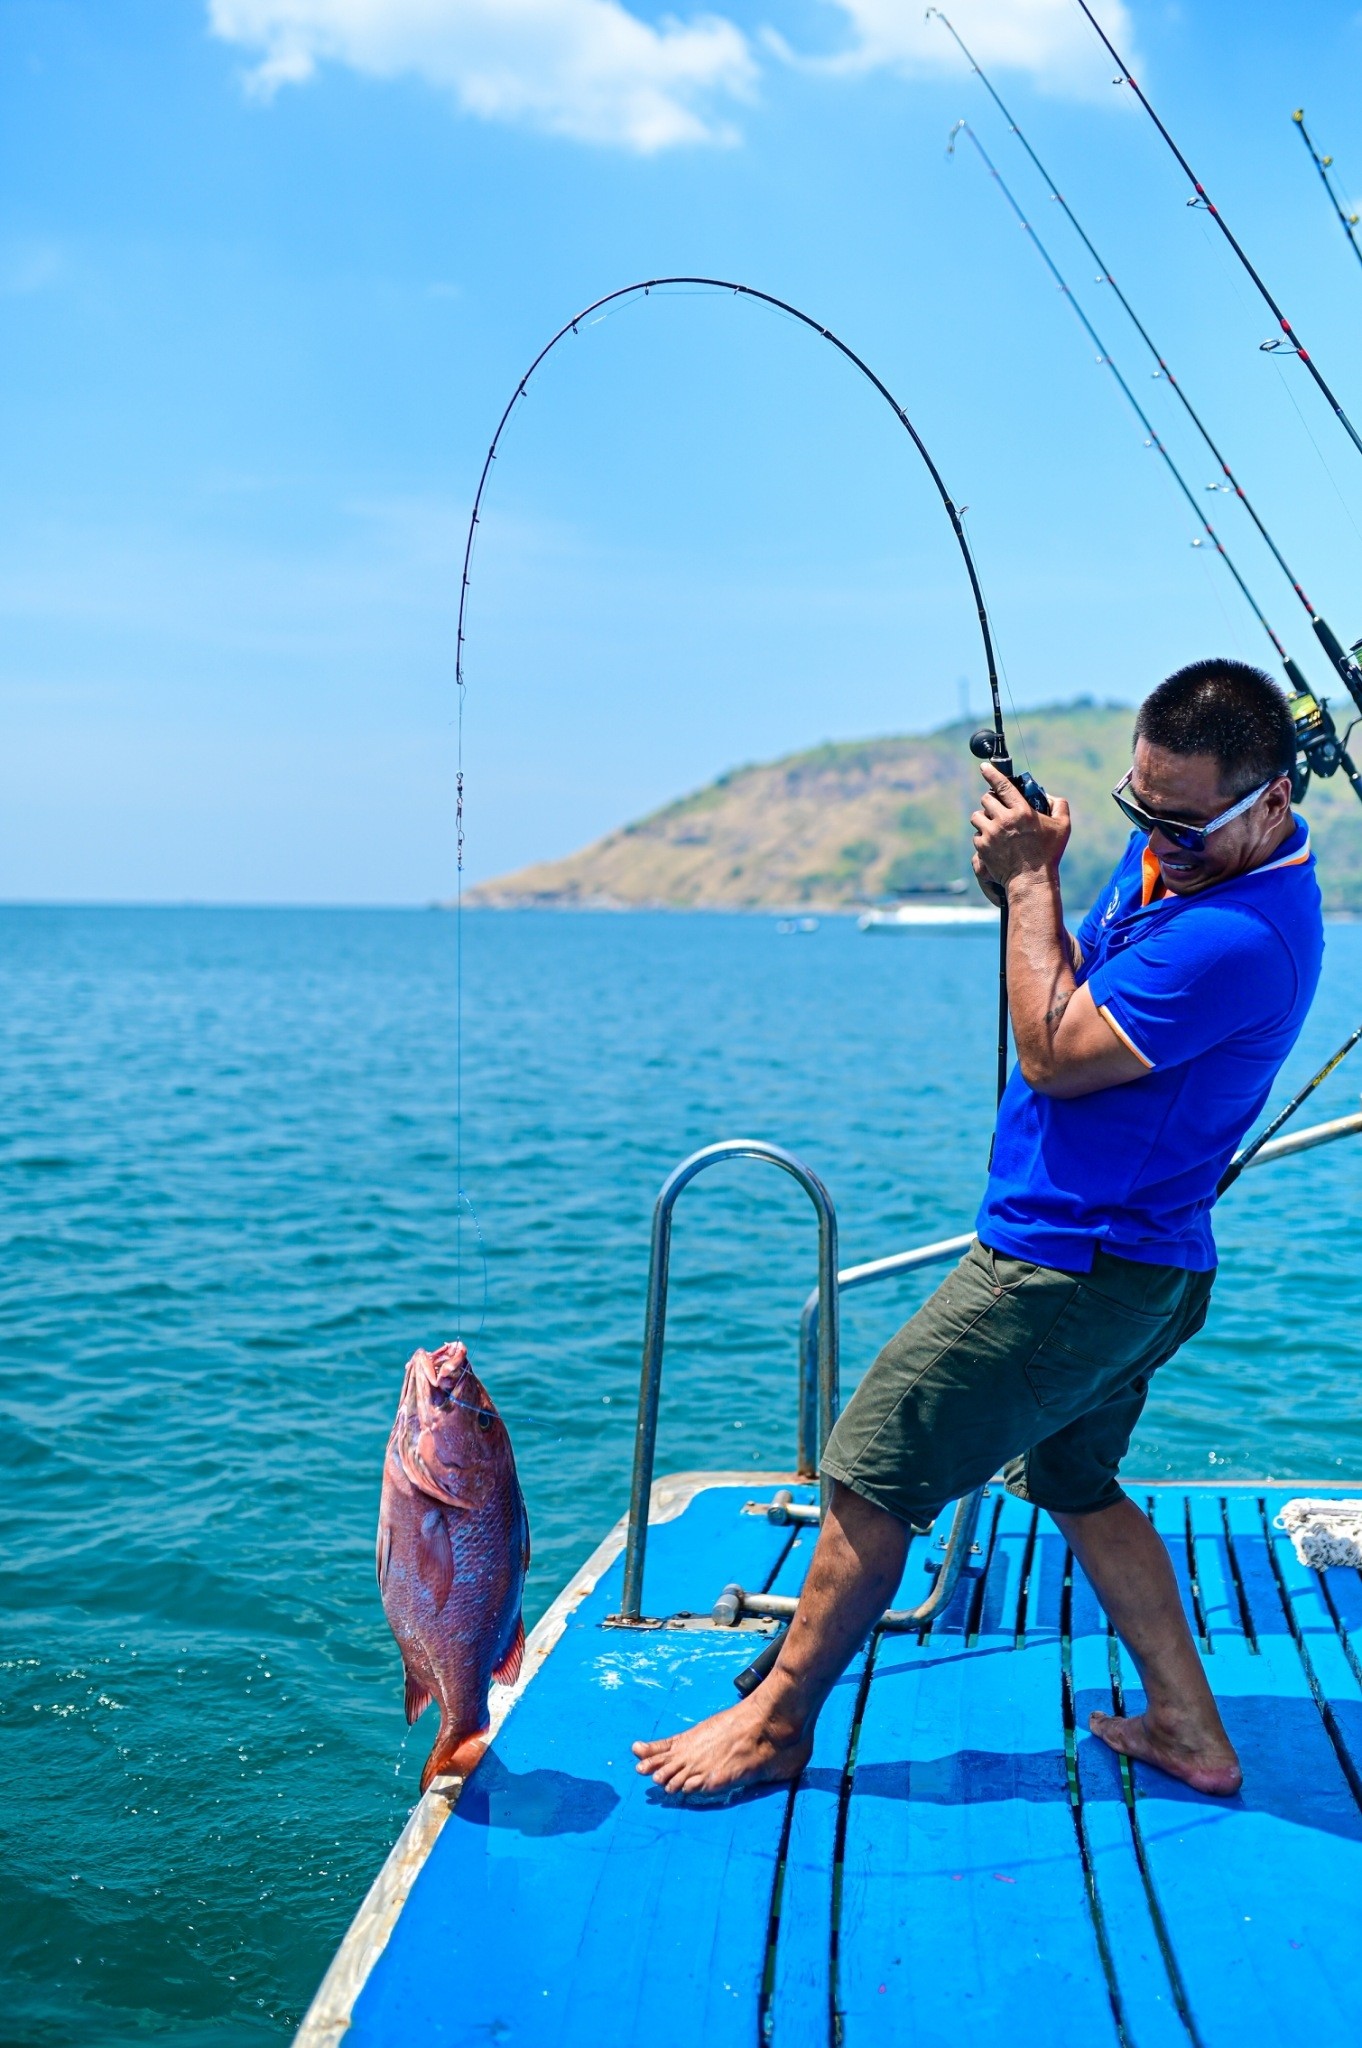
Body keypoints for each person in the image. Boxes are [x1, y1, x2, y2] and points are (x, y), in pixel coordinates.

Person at [633, 658, 1323, 1801]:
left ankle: (775, 1726)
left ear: (1274, 798)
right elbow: (1074, 972)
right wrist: (1037, 878)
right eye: (1137, 808)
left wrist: (1030, 884)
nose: (1156, 838)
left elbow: (1053, 1048)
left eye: (1185, 822)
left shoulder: (1246, 937)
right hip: (1136, 1259)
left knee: (868, 1465)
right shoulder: (1185, 857)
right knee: (1074, 1478)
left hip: (1069, 1269)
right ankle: (1191, 1727)